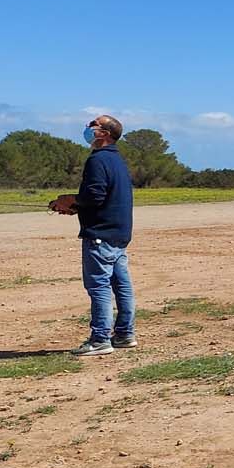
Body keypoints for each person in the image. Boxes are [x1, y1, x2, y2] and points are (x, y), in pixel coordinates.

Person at [49, 114, 136, 357]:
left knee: (99, 286)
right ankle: (125, 334)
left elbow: (94, 196)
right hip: (118, 232)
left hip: (101, 234)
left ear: (104, 133)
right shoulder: (117, 160)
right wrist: (74, 208)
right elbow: (102, 197)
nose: (88, 127)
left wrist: (68, 200)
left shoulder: (97, 160)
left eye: (93, 125)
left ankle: (100, 339)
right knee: (122, 286)